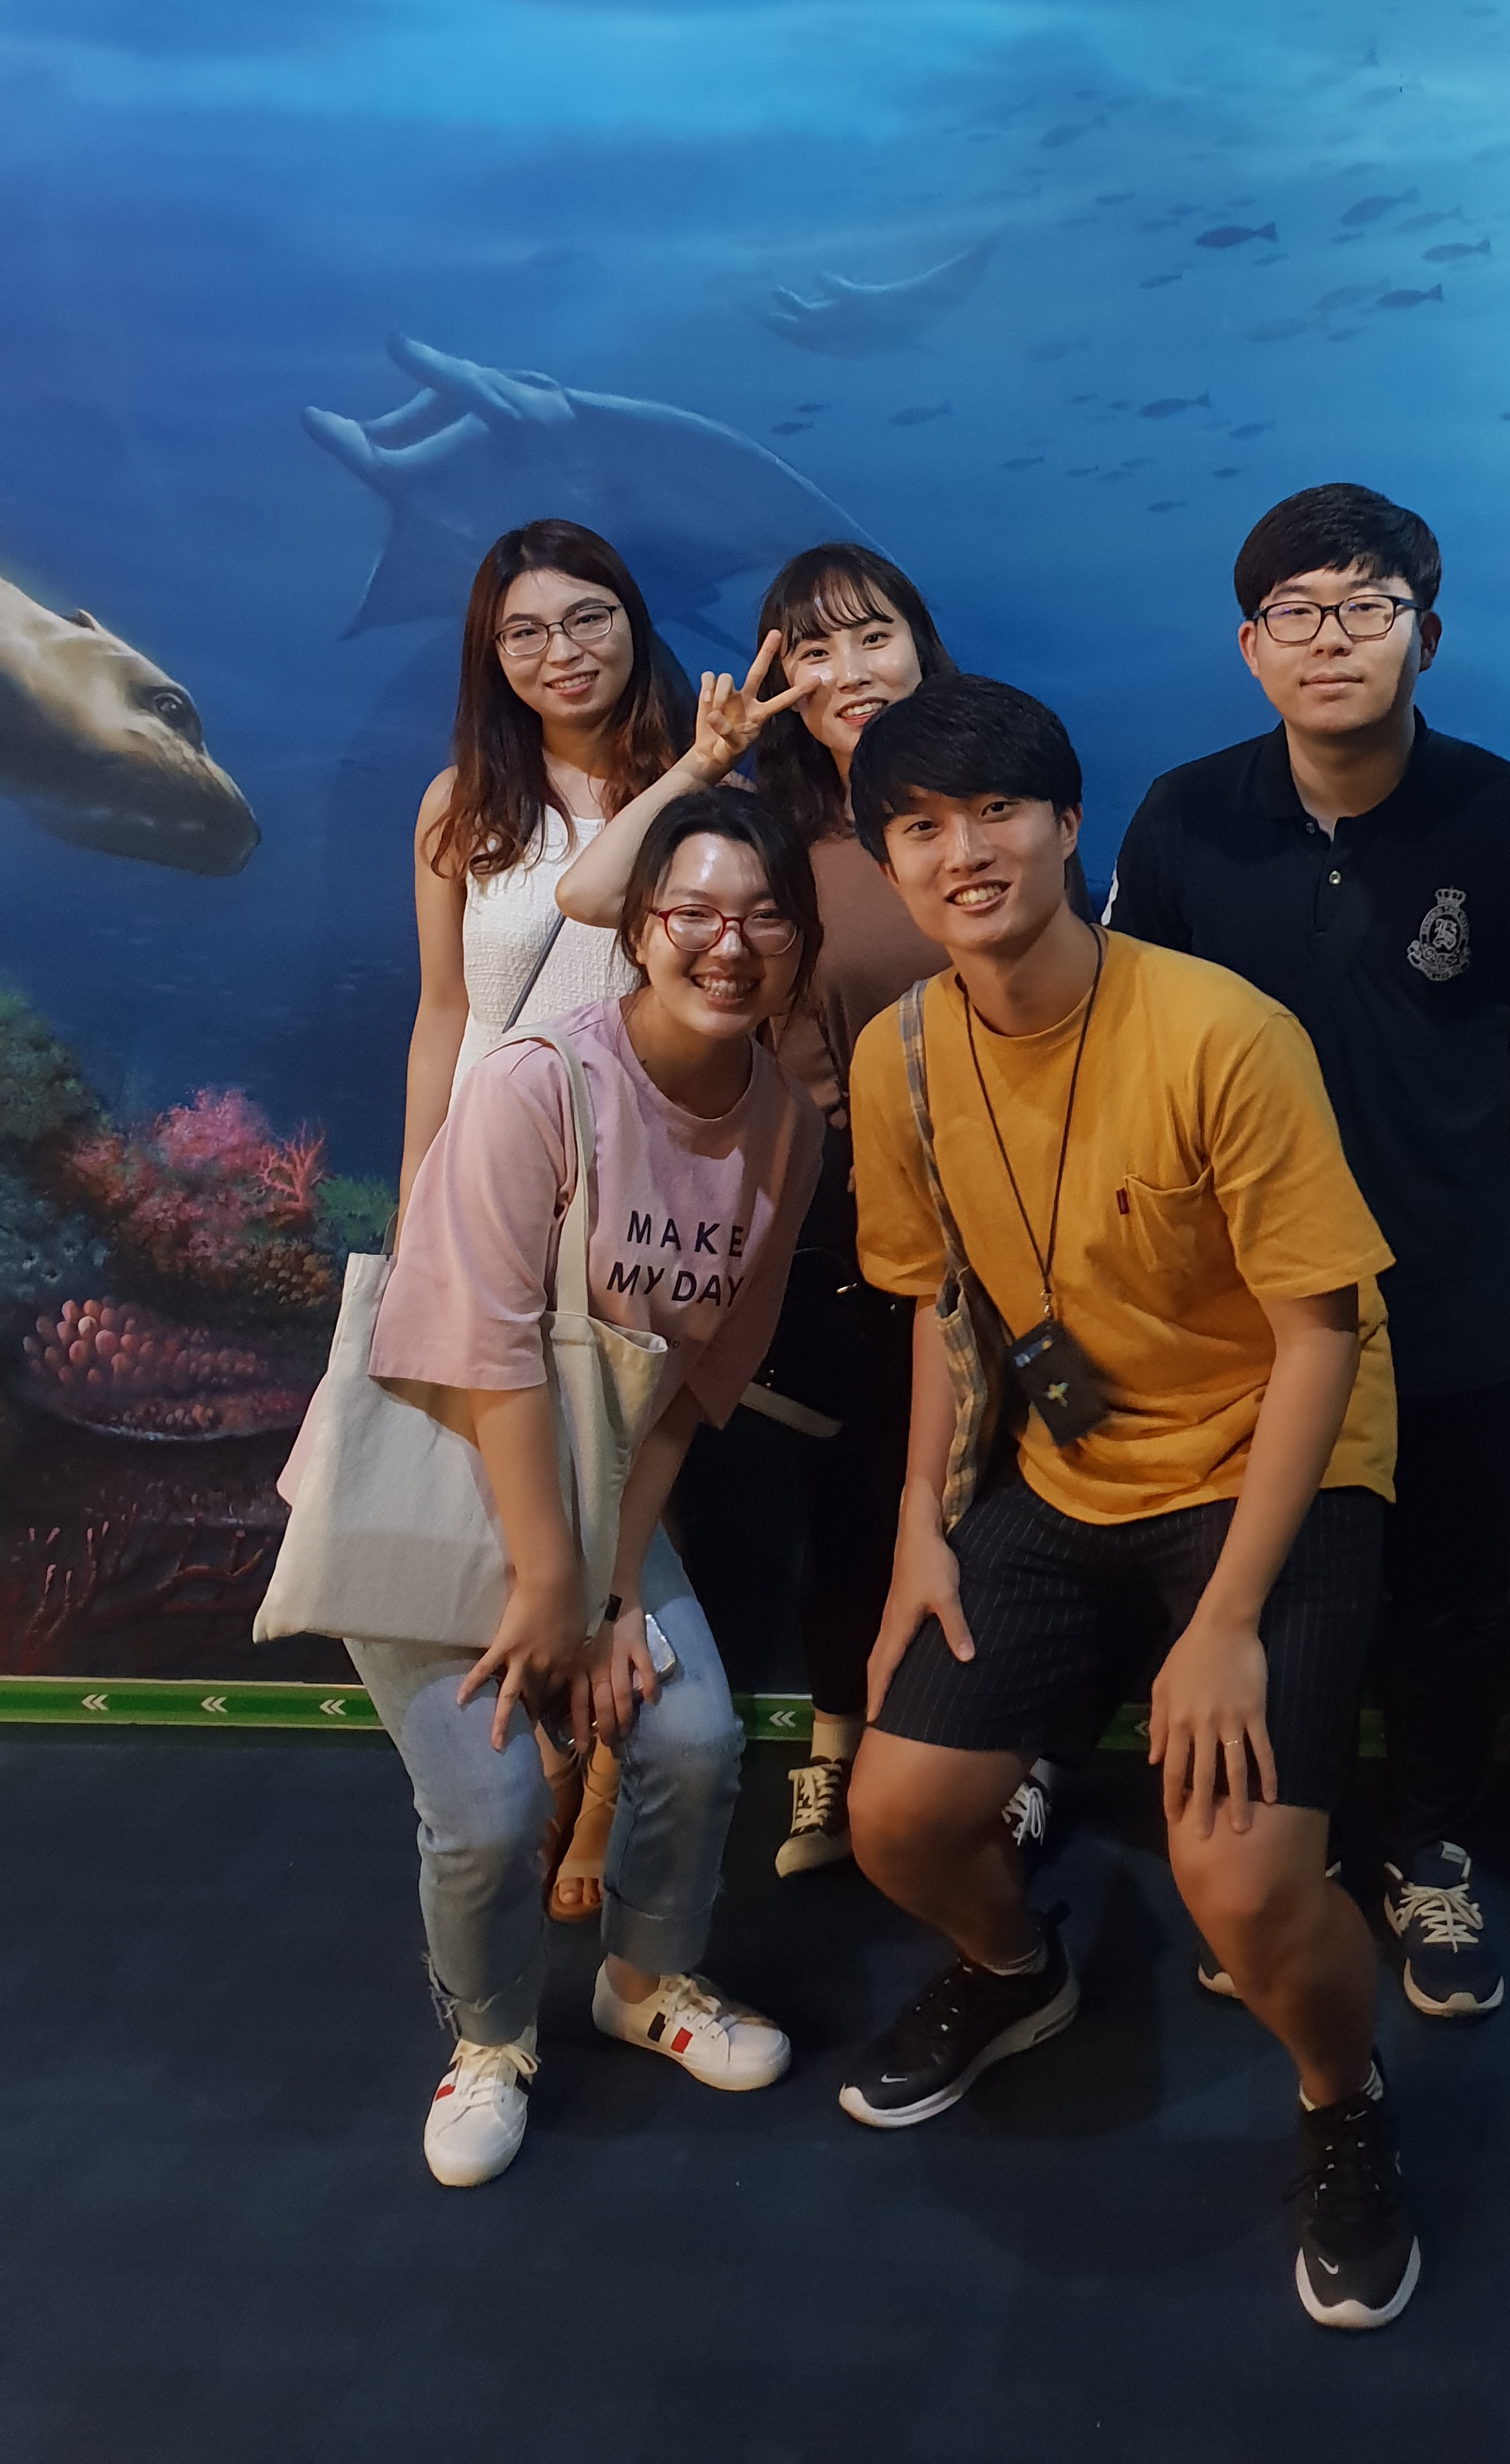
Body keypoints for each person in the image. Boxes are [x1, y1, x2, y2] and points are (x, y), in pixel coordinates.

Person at [835, 676, 1420, 2333]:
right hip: (1066, 1468)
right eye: (921, 827)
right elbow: (940, 1308)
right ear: (888, 860)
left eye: (998, 811)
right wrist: (919, 1521)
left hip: (1272, 1456)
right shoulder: (902, 1057)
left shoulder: (1222, 1032)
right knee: (898, 1817)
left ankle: (1344, 2098)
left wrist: (1226, 1624)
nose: (965, 852)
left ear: (1069, 824)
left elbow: (1321, 1336)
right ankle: (1015, 1972)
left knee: (1240, 1882)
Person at [1106, 484, 1510, 2017]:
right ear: (1251, 647)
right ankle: (1292, 1859)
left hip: (1452, 1287)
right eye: (1294, 613)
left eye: (1366, 608)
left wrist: (1452, 1167)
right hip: (1247, 1313)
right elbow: (1138, 1041)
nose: (1328, 640)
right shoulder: (1183, 820)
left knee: (1449, 1592)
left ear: (1428, 635)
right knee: (1275, 1595)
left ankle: (1433, 1849)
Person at [355, 790, 826, 2188]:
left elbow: (686, 1383)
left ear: (800, 944)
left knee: (690, 1739)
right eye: (694, 912)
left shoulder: (787, 1130)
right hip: (444, 1480)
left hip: (598, 1494)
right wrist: (554, 1588)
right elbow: (487, 1356)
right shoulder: (535, 1082)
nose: (728, 944)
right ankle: (490, 2040)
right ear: (637, 929)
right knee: (492, 1813)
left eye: (765, 917)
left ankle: (645, 1980)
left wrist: (616, 1587)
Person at [556, 547, 956, 1878]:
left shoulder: (971, 810)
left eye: (873, 636)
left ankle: (960, 1766)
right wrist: (703, 763)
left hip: (979, 1214)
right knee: (812, 1508)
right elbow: (595, 899)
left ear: (921, 643)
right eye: (814, 649)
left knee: (956, 1500)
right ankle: (802, 1758)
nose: (849, 672)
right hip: (802, 1221)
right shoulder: (771, 829)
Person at [400, 519, 691, 1925]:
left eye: (588, 618)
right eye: (524, 632)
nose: (560, 651)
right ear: (490, 656)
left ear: (633, 621)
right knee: (509, 1495)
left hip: (635, 1180)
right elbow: (442, 1011)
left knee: (623, 1487)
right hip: (486, 1188)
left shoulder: (697, 782)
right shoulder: (462, 804)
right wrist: (418, 1195)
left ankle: (607, 1789)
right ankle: (541, 1758)